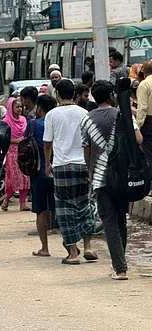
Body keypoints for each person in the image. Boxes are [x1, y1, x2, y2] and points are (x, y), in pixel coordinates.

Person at [81, 80, 142, 280]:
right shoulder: (122, 114)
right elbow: (139, 139)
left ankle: (120, 267)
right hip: (122, 176)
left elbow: (87, 150)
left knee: (109, 222)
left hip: (100, 178)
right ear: (111, 96)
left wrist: (91, 173)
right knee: (120, 220)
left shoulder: (87, 119)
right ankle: (119, 264)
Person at [44, 79, 97, 265]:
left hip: (61, 166)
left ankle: (73, 253)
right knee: (85, 204)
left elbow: (48, 143)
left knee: (65, 209)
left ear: (57, 94)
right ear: (74, 94)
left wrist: (47, 164)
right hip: (82, 165)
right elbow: (90, 142)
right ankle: (88, 246)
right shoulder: (84, 113)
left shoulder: (52, 114)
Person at [27, 95, 58, 257]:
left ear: (39, 108)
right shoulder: (58, 123)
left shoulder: (33, 124)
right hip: (58, 170)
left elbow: (25, 143)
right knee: (62, 208)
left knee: (40, 211)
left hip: (38, 172)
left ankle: (44, 248)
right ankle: (71, 248)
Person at [1, 97, 30, 212]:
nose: (20, 109)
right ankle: (6, 199)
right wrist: (15, 141)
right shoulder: (6, 121)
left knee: (25, 176)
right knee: (13, 177)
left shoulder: (23, 120)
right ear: (10, 108)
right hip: (12, 151)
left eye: (21, 107)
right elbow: (3, 138)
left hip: (24, 150)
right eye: (17, 107)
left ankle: (22, 203)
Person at [136, 61, 152, 168]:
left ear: (144, 73)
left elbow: (142, 107)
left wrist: (138, 125)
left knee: (149, 152)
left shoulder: (144, 84)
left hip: (149, 121)